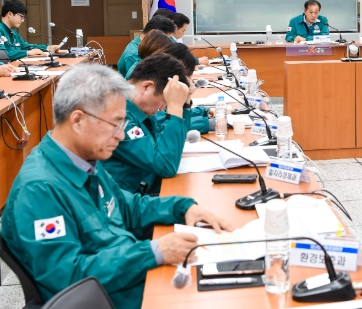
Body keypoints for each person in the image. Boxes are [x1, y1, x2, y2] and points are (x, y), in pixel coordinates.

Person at [0, 63, 232, 309]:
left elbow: (127, 207)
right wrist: (152, 252)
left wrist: (183, 208)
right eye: (116, 124)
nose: (121, 136)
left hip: (129, 279)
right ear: (78, 120)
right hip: (113, 298)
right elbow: (68, 277)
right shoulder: (39, 190)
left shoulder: (84, 159)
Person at [102, 54, 194, 194]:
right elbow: (166, 165)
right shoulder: (118, 116)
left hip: (146, 187)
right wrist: (175, 107)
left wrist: (184, 105)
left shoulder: (138, 110)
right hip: (128, 199)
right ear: (146, 87)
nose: (162, 108)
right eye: (164, 101)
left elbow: (169, 146)